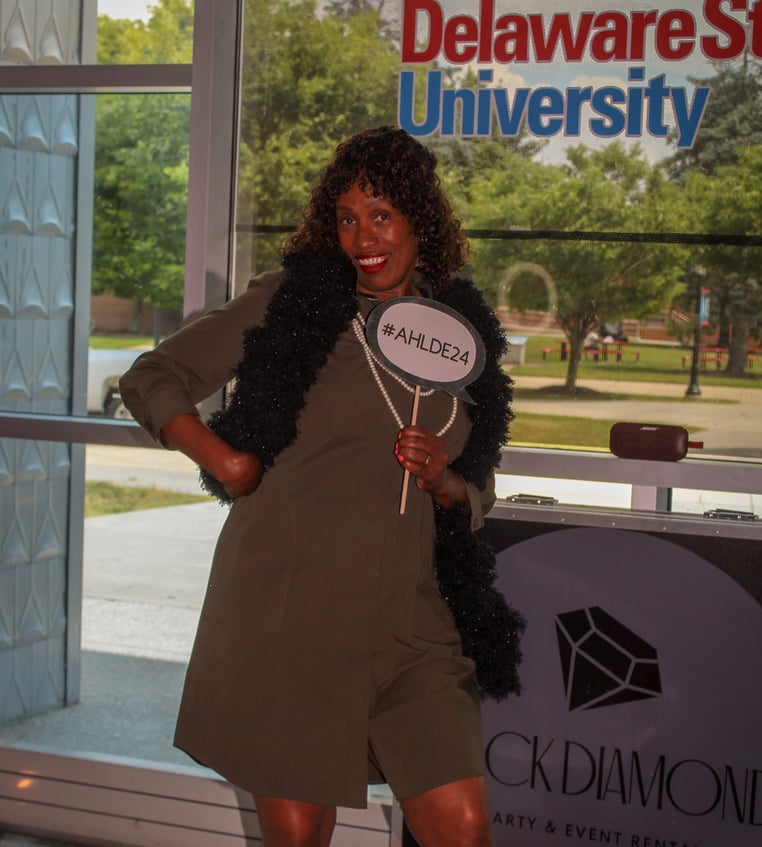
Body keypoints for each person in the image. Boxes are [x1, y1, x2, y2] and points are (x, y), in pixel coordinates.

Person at [119, 126, 523, 847]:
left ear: (419, 220)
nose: (363, 238)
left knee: (463, 827)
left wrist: (447, 483)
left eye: (381, 215)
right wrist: (224, 460)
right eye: (346, 218)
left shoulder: (457, 333)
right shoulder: (293, 304)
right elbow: (153, 376)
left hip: (414, 623)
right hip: (289, 615)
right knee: (301, 835)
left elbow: (480, 473)